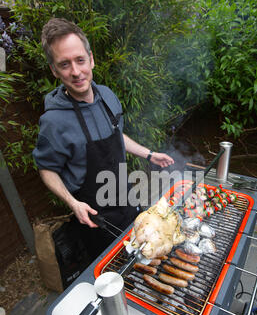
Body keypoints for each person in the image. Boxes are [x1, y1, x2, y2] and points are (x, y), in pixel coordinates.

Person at [33, 17, 174, 261]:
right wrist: (72, 203)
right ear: (54, 70)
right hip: (95, 219)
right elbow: (46, 169)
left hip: (127, 199)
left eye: (80, 60)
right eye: (64, 64)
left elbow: (115, 134)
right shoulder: (53, 122)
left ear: (91, 59)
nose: (76, 72)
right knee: (114, 271)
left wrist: (148, 154)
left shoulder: (107, 96)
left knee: (146, 259)